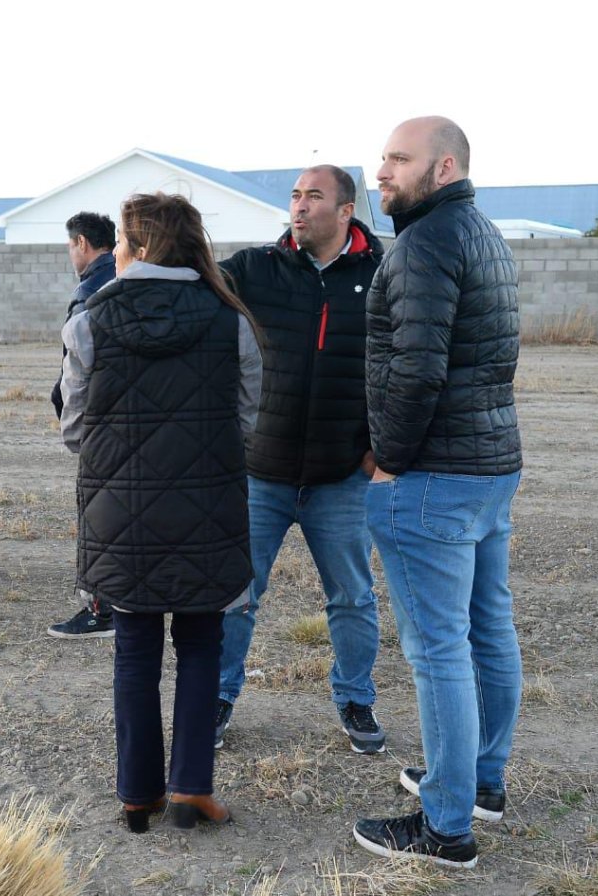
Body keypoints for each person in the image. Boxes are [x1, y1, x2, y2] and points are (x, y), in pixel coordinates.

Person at [60, 192, 261, 833]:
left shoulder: (90, 319)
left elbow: (74, 427)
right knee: (202, 644)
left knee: (134, 648)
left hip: (120, 513)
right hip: (208, 506)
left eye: (122, 239)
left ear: (142, 245)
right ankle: (190, 789)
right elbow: (246, 421)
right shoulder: (230, 319)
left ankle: (136, 794)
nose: (115, 249)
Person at [353, 117, 523, 869]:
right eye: (384, 157)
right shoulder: (482, 232)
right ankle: (480, 782)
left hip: (435, 477)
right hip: (488, 466)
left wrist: (389, 459)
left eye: (399, 158)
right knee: (487, 629)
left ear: (444, 167)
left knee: (440, 651)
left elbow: (418, 369)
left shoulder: (424, 243)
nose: (382, 171)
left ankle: (446, 827)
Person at [213, 166, 387, 755]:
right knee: (236, 593)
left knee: (352, 597)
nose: (300, 206)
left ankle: (355, 698)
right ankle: (218, 696)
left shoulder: (381, 274)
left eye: (314, 196)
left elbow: (400, 365)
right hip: (261, 473)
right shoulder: (255, 268)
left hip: (342, 477)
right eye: (295, 195)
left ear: (346, 211)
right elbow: (192, 291)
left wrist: (378, 451)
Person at [48, 211, 118, 640]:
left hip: (98, 427)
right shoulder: (127, 281)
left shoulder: (90, 292)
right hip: (132, 424)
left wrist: (69, 423)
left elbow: (72, 375)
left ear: (81, 243)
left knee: (97, 521)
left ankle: (99, 608)